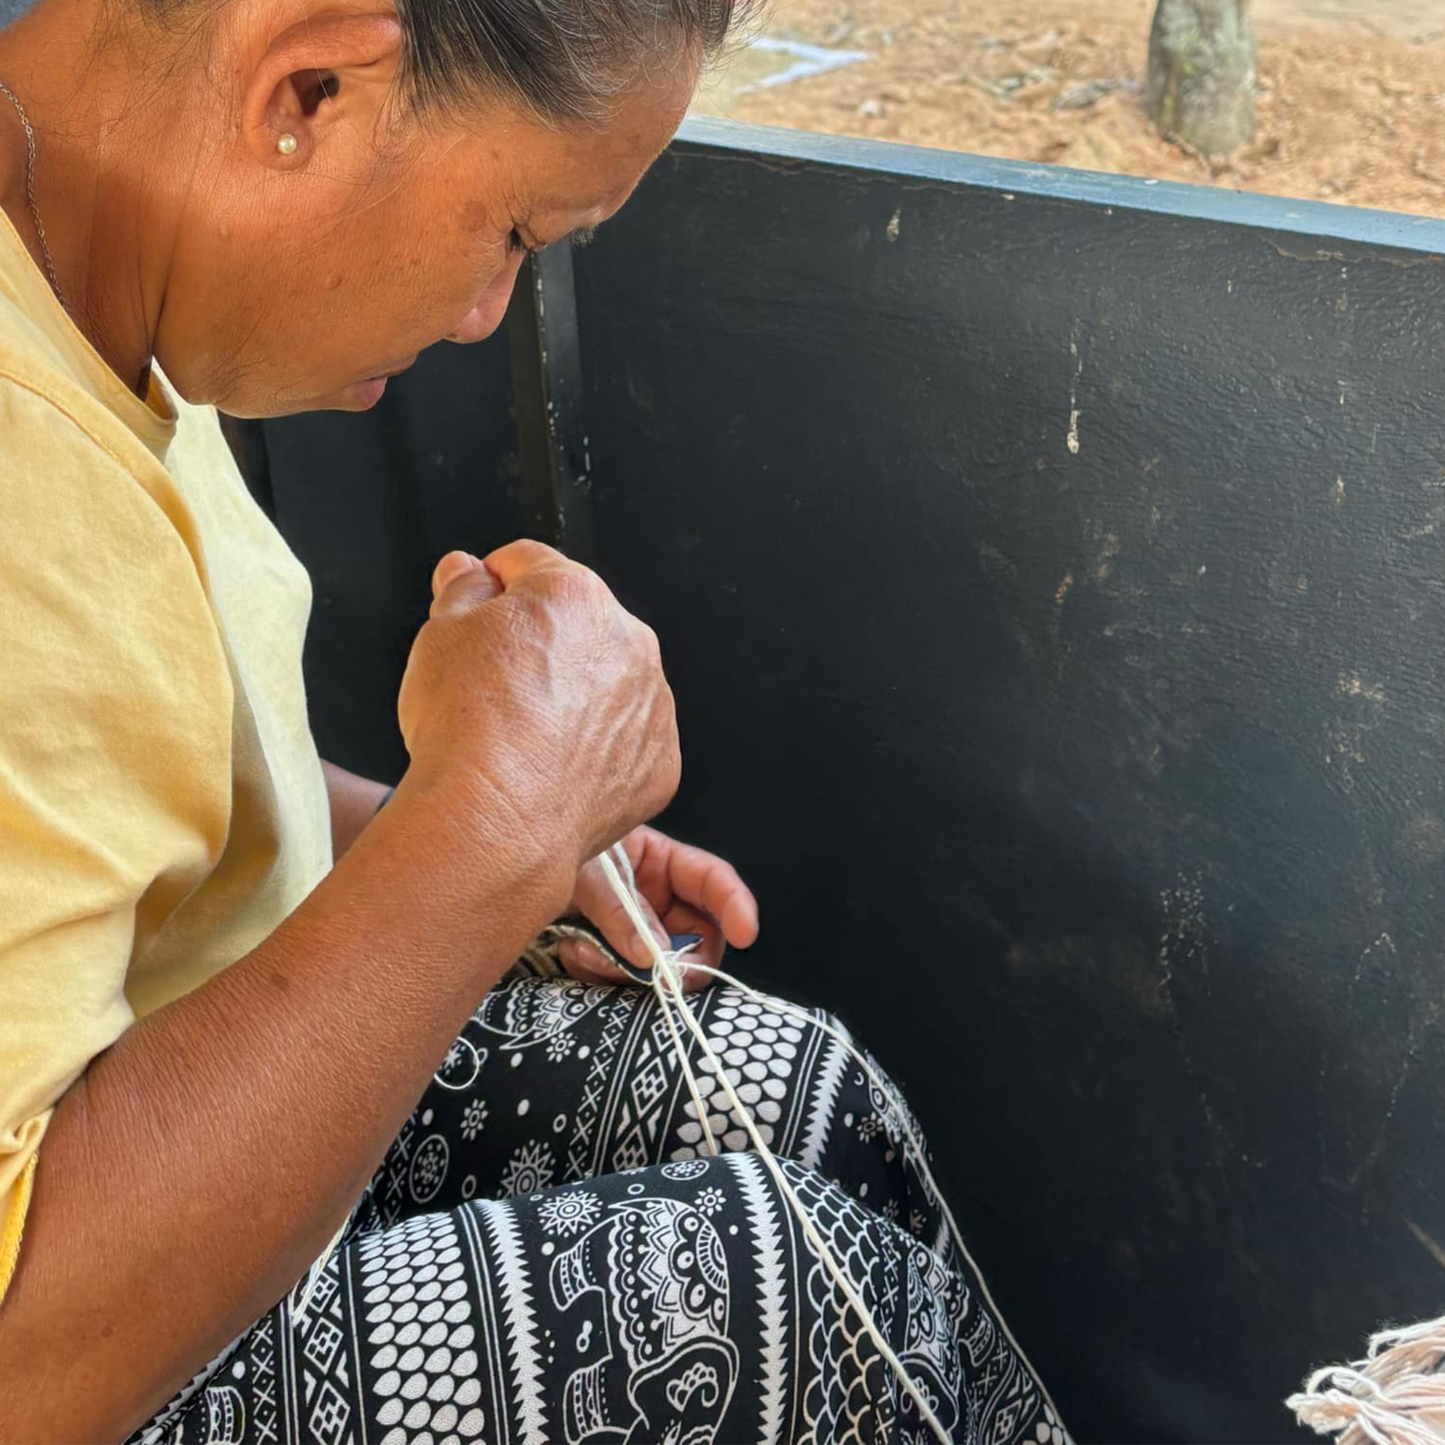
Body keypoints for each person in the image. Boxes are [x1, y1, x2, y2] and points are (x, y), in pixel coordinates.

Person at [0, 0, 1069, 1438]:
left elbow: (98, 783)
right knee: (757, 1305)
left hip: (179, 1115)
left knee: (799, 1089)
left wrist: (472, 851)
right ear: (305, 86)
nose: (487, 314)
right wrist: (486, 831)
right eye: (515, 234)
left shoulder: (105, 269)